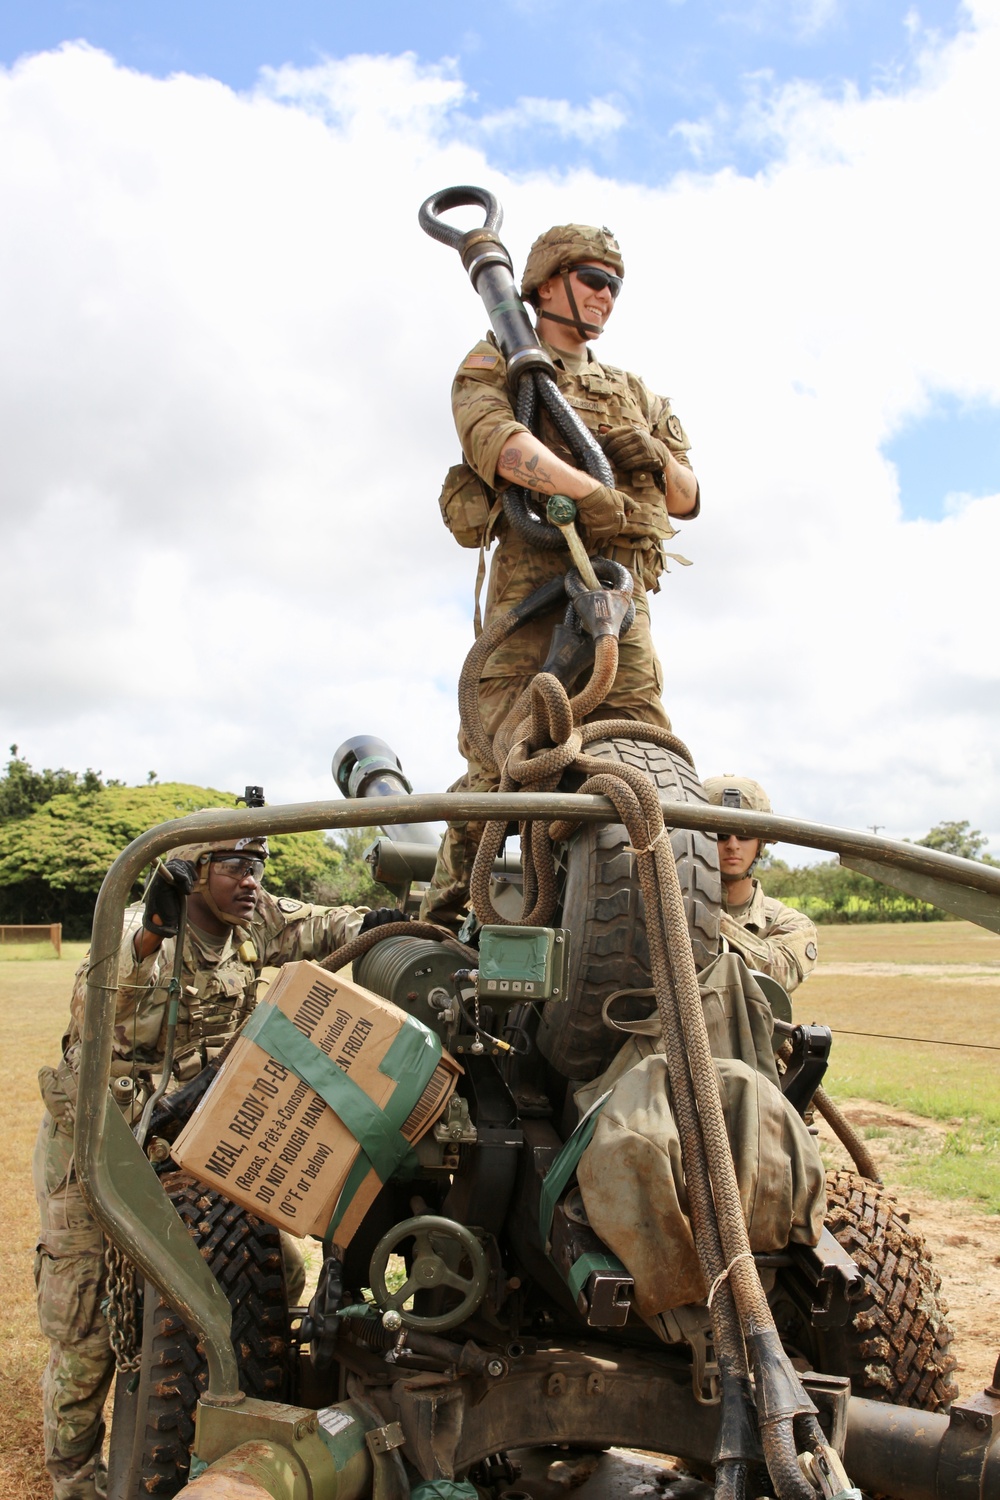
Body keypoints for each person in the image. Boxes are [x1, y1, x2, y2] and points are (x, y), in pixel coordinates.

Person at [33, 833, 400, 1500]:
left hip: (190, 1152)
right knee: (84, 1328)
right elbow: (104, 993)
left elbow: (321, 925)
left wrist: (378, 923)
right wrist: (152, 931)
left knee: (276, 1273)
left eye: (258, 866)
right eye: (234, 866)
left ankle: (245, 1413)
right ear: (194, 873)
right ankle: (75, 1481)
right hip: (99, 1151)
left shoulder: (252, 919)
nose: (251, 880)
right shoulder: (137, 929)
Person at [421, 222, 701, 927]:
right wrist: (588, 491)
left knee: (643, 741)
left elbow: (689, 499)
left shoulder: (632, 390)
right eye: (592, 280)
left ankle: (665, 925)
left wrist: (655, 460)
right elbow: (498, 443)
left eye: (615, 285)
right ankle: (439, 924)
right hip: (531, 595)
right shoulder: (500, 361)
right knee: (501, 758)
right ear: (546, 283)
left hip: (614, 597)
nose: (606, 297)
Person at [703, 775, 819, 995]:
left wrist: (708, 918)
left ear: (761, 842)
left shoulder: (787, 922)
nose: (733, 845)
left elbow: (778, 975)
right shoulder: (667, 909)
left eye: (744, 835)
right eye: (721, 835)